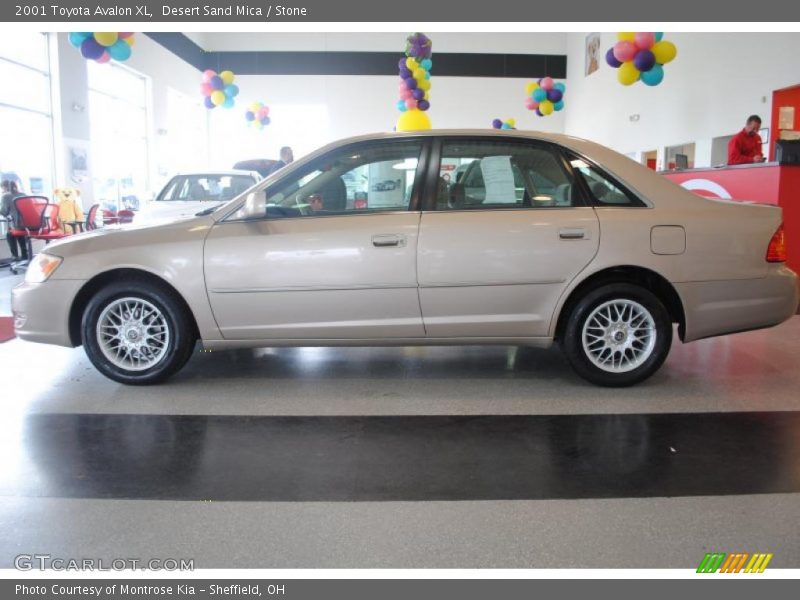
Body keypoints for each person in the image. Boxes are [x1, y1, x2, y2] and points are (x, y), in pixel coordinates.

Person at [1, 179, 28, 261]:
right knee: (20, 232)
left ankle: (15, 256)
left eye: (2, 188)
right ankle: (25, 255)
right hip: (31, 225)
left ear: (5, 187)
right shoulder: (24, 194)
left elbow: (4, 212)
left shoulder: (6, 196)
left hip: (19, 225)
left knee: (9, 234)